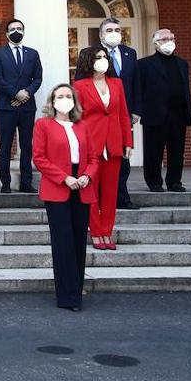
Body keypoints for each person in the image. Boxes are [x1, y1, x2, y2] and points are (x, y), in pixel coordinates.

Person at [31, 84, 100, 312]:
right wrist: (65, 178)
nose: (64, 99)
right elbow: (39, 158)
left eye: (68, 96)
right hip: (58, 188)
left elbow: (94, 158)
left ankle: (76, 292)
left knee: (79, 241)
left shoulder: (83, 126)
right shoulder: (43, 125)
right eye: (60, 96)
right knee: (63, 243)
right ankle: (66, 296)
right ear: (52, 101)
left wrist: (86, 177)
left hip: (81, 187)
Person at [73, 46, 133, 251]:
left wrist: (128, 142)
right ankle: (96, 232)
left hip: (114, 144)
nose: (103, 60)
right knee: (90, 192)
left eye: (105, 56)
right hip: (91, 146)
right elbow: (76, 118)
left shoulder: (117, 83)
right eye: (98, 57)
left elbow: (123, 114)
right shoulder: (79, 85)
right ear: (89, 61)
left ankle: (107, 232)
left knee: (110, 192)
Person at [137, 28, 191, 192]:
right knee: (153, 151)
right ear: (155, 43)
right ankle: (154, 182)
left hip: (178, 114)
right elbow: (140, 89)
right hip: (155, 113)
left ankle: (174, 182)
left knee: (177, 150)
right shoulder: (144, 64)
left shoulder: (182, 63)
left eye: (171, 38)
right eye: (164, 39)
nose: (169, 42)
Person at [0, 19, 43, 193]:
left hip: (27, 106)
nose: (16, 31)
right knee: (5, 144)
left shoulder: (32, 54)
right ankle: (5, 183)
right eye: (13, 29)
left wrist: (26, 93)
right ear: (6, 34)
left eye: (19, 28)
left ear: (23, 32)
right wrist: (16, 94)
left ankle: (26, 182)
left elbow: (38, 78)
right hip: (6, 106)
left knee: (26, 145)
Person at [99, 17, 141, 210]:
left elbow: (135, 83)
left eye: (117, 29)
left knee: (123, 156)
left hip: (123, 115)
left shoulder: (129, 53)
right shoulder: (93, 54)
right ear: (101, 34)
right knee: (102, 157)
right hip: (101, 115)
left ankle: (122, 197)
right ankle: (101, 196)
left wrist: (135, 109)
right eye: (109, 30)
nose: (114, 33)